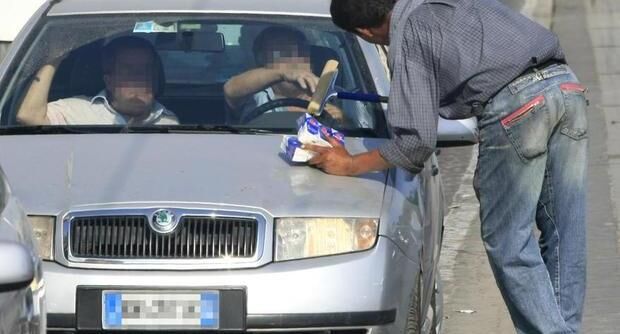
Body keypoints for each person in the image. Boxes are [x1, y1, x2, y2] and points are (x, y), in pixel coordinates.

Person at [310, 0, 588, 333]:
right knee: (564, 231)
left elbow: (414, 144)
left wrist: (351, 164)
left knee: (508, 243)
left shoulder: (409, 31)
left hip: (518, 105)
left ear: (365, 31)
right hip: (566, 87)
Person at [17, 36, 178, 126]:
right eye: (128, 70)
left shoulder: (169, 122)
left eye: (145, 70)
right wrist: (55, 58)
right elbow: (28, 116)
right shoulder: (77, 111)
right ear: (109, 81)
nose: (139, 77)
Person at [224, 26, 343, 123]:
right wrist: (282, 74)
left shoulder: (337, 96)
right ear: (262, 59)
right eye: (284, 53)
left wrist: (343, 120)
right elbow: (230, 89)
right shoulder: (255, 95)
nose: (295, 60)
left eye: (301, 52)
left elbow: (357, 133)